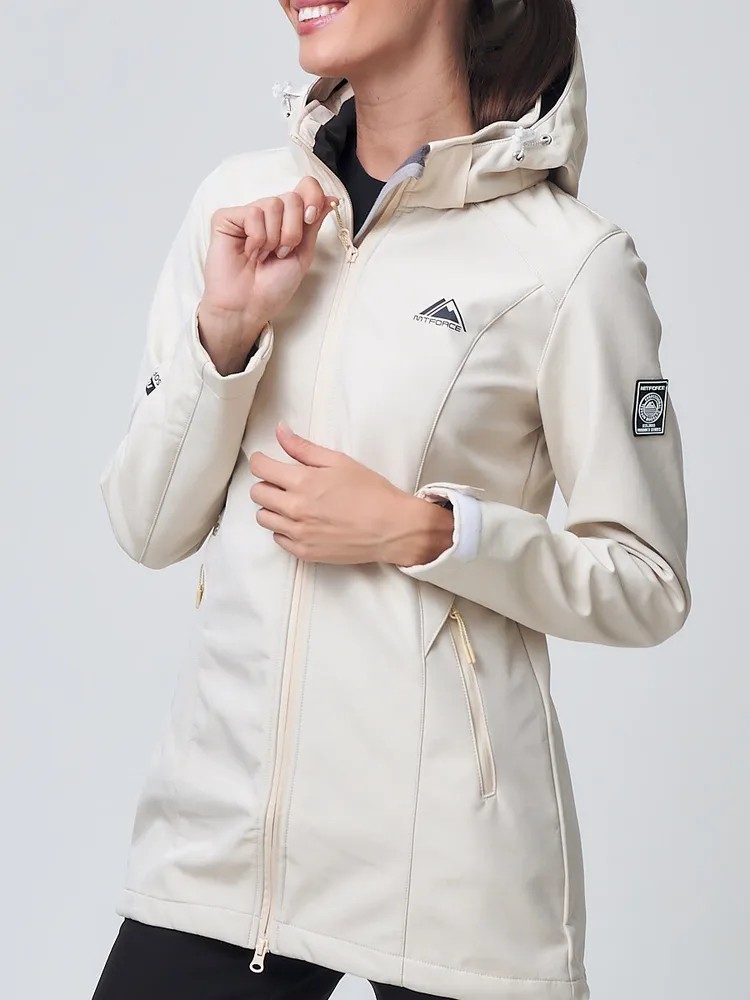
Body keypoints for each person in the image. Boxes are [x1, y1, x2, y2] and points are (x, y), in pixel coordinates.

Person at [92, 0, 692, 998]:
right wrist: (224, 336)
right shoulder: (242, 206)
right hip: (226, 850)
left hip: (450, 875)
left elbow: (647, 581)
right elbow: (147, 526)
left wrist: (427, 530)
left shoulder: (569, 263)